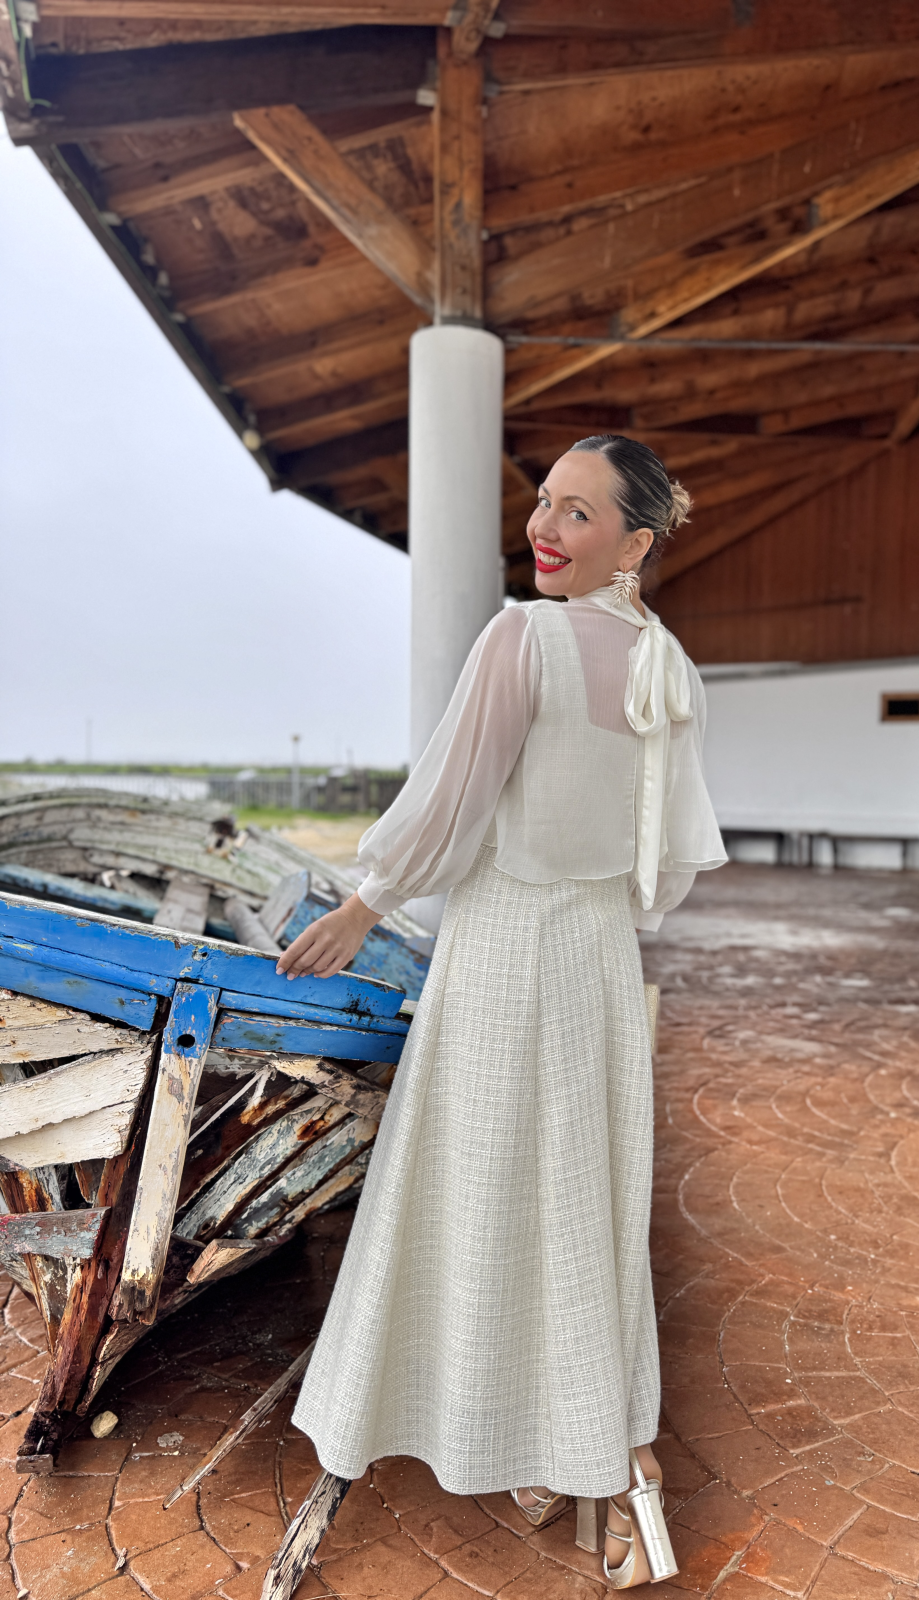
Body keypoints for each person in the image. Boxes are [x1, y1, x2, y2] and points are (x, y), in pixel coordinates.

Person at [278, 434, 726, 1587]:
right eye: (544, 502)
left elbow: (453, 797)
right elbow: (667, 860)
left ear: (634, 542)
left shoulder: (524, 636)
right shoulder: (668, 663)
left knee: (483, 1188)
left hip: (505, 945)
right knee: (584, 1202)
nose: (545, 526)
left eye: (579, 513)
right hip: (599, 957)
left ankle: (550, 1442)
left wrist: (366, 903)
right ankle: (582, 1449)